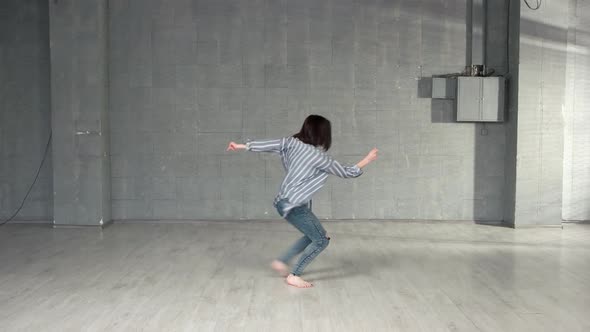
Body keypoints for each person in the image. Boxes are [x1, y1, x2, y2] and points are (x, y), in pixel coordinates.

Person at [226, 115, 378, 288]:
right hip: (295, 205)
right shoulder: (319, 157)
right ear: (323, 134)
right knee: (321, 240)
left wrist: (241, 146)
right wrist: (367, 159)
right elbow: (346, 172)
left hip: (283, 201)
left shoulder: (291, 143)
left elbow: (269, 145)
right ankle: (294, 275)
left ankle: (281, 261)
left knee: (312, 236)